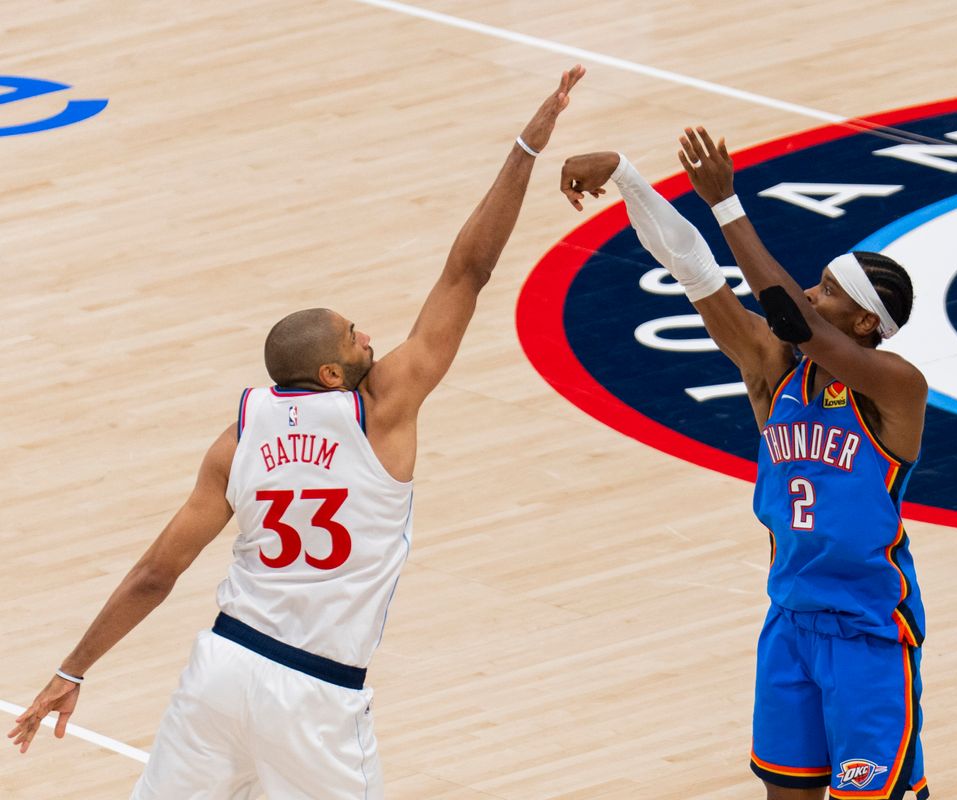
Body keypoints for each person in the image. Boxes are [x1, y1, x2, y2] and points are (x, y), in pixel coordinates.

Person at [8, 64, 586, 799]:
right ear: (333, 376)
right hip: (315, 694)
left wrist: (72, 667)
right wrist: (525, 150)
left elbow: (157, 574)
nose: (369, 334)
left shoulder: (238, 436)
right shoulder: (382, 409)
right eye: (354, 335)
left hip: (221, 670)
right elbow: (467, 272)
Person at [560, 128, 929, 800]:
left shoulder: (896, 388)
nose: (813, 296)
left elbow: (793, 318)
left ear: (867, 324)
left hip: (867, 635)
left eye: (829, 291)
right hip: (789, 621)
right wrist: (627, 177)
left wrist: (728, 203)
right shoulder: (774, 374)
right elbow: (694, 271)